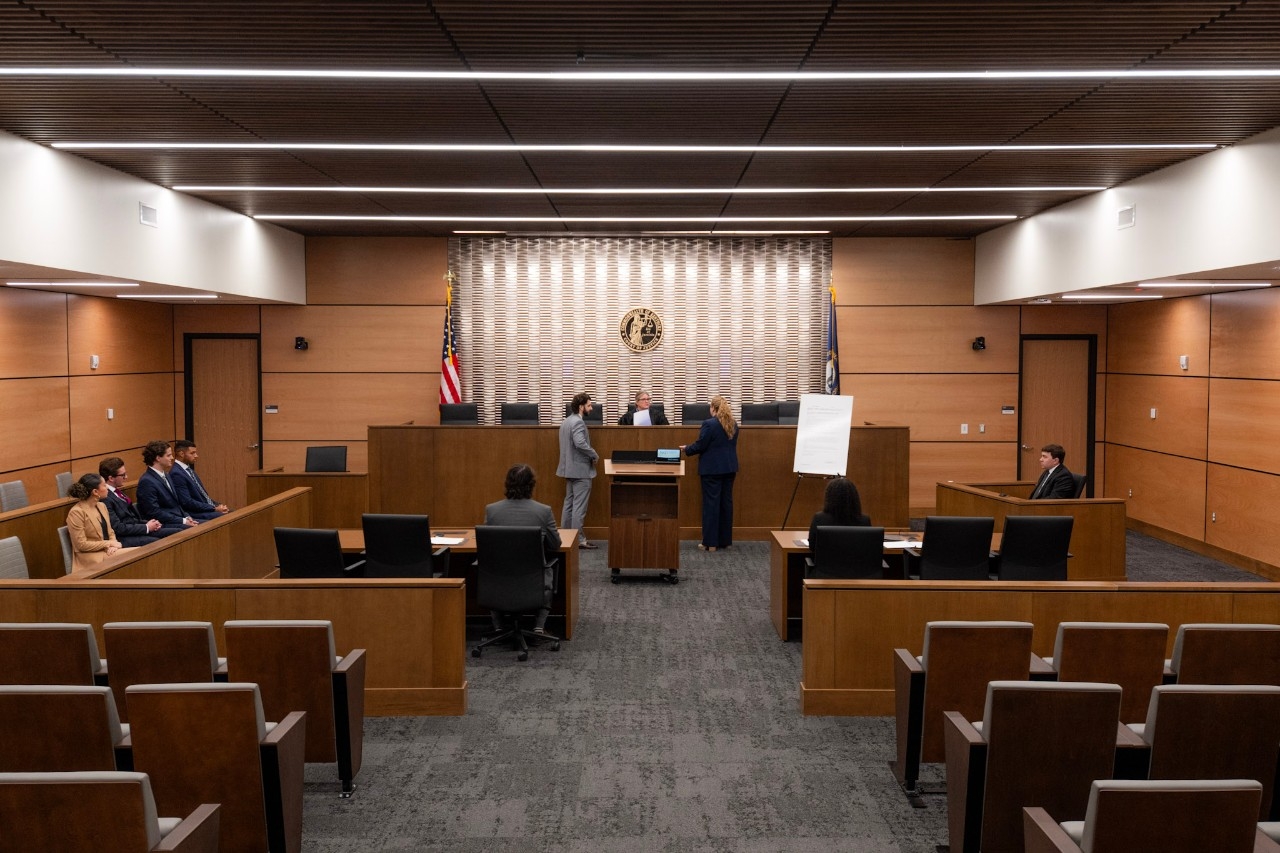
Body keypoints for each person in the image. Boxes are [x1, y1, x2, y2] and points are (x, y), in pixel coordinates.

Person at [484, 463, 561, 635]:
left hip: (498, 579)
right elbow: (555, 544)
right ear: (531, 485)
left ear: (507, 484)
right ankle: (539, 626)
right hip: (533, 581)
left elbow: (488, 547)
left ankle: (498, 626)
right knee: (551, 567)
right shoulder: (543, 511)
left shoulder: (492, 511)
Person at [682, 394, 740, 552]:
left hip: (712, 470)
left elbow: (701, 445)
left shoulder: (709, 424)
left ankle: (710, 543)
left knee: (711, 505)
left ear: (713, 408)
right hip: (729, 468)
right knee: (726, 504)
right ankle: (725, 540)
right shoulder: (733, 424)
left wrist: (687, 449)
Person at [98, 457, 182, 546]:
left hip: (136, 529)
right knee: (157, 542)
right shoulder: (105, 498)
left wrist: (150, 524)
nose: (126, 477)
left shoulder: (118, 492)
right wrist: (146, 527)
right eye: (123, 475)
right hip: (123, 537)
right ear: (111, 478)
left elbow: (133, 519)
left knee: (177, 532)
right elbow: (118, 527)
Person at [65, 473, 135, 571]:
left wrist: (113, 544)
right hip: (90, 557)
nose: (107, 487)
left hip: (108, 552)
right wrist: (108, 544)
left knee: (139, 554)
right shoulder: (76, 512)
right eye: (104, 485)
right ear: (95, 491)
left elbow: (110, 532)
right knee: (137, 553)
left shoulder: (102, 506)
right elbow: (81, 545)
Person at [557, 392, 599, 549]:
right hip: (580, 470)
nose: (591, 408)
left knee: (568, 504)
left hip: (569, 469)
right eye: (589, 405)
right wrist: (594, 454)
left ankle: (566, 538)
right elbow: (580, 443)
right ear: (581, 407)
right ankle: (579, 539)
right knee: (579, 507)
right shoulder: (578, 423)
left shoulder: (566, 421)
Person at [136, 440, 199, 528]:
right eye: (168, 455)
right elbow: (154, 512)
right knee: (196, 529)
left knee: (205, 525)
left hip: (177, 519)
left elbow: (177, 504)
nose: (172, 458)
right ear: (158, 458)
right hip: (163, 524)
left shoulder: (166, 475)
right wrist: (183, 521)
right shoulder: (147, 481)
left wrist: (187, 517)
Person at [170, 439, 229, 519]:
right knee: (227, 517)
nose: (196, 456)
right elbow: (187, 502)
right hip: (195, 513)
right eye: (192, 453)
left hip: (206, 508)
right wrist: (214, 508)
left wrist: (218, 505)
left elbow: (203, 496)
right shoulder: (176, 474)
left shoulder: (188, 470)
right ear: (181, 453)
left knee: (232, 513)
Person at [808, 477, 871, 544]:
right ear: (854, 497)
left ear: (829, 497)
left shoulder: (820, 518)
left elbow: (812, 545)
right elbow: (868, 545)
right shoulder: (864, 520)